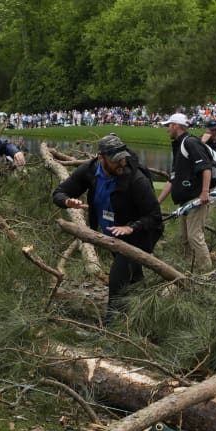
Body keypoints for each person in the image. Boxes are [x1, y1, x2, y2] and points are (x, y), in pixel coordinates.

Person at [53, 134, 163, 320]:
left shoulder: (136, 179)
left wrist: (132, 228)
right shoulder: (89, 170)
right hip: (113, 233)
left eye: (123, 157)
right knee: (134, 277)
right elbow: (59, 193)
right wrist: (67, 201)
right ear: (101, 158)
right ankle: (144, 315)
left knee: (117, 280)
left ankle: (113, 328)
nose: (121, 163)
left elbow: (155, 216)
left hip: (140, 234)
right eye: (115, 160)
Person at [156, 112, 214, 272]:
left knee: (194, 236)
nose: (168, 129)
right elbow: (172, 179)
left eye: (169, 125)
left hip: (195, 198)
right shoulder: (178, 145)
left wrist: (204, 192)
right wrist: (158, 202)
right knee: (185, 238)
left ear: (176, 126)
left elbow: (206, 168)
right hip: (184, 201)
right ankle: (188, 270)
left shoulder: (190, 142)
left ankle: (207, 273)